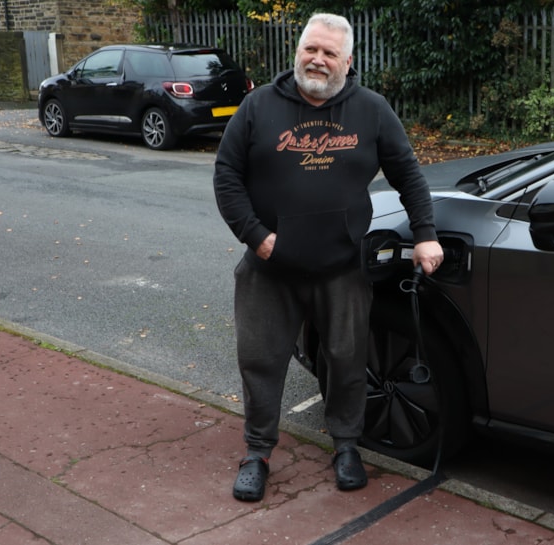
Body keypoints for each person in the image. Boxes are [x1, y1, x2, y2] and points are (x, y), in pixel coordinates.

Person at [213, 12, 444, 502]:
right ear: (297, 51)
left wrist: (425, 234)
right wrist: (257, 237)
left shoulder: (372, 110)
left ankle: (346, 446)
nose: (317, 59)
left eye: (329, 53)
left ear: (348, 60)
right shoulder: (258, 106)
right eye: (310, 49)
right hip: (269, 268)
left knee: (346, 359)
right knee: (260, 360)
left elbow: (409, 175)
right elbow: (226, 175)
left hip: (342, 268)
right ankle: (257, 452)